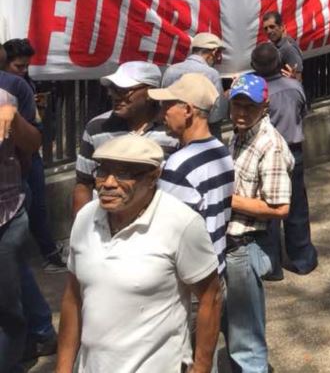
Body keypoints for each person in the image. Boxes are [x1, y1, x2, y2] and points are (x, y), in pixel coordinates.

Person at [54, 135, 221, 373]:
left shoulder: (181, 224)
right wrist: (62, 368)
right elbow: (73, 297)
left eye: (123, 173)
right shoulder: (85, 218)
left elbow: (211, 297)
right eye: (103, 171)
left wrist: (202, 367)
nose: (108, 183)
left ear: (154, 176)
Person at [223, 74, 293, 372]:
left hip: (247, 245)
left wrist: (225, 200)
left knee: (246, 338)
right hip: (232, 244)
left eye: (248, 107)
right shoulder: (238, 135)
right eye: (236, 105)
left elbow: (279, 208)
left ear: (264, 106)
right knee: (233, 325)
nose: (241, 112)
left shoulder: (269, 144)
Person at [148, 73, 235, 276]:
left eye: (166, 106)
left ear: (187, 110)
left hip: (190, 278)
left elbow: (166, 230)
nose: (162, 114)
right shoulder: (221, 152)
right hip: (216, 267)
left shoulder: (180, 164)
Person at [73, 62, 177, 214]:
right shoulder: (96, 128)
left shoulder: (171, 129)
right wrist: (81, 229)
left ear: (151, 92)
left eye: (125, 90)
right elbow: (83, 183)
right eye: (113, 89)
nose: (114, 95)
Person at [250, 43, 317, 279]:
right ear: (279, 63)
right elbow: (302, 113)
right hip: (295, 151)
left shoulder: (259, 92)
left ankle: (271, 264)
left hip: (269, 153)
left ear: (255, 67)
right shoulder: (295, 86)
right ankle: (303, 260)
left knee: (268, 208)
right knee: (297, 205)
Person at [2, 39, 65, 274]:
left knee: (36, 206)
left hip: (29, 157)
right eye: (18, 66)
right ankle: (49, 254)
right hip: (19, 161)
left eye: (26, 66)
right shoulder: (11, 87)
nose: (23, 71)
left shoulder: (22, 84)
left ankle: (48, 253)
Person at [0, 83, 43, 372]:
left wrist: (14, 119)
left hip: (6, 219)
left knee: (6, 308)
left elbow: (33, 145)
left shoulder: (4, 98)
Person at [161, 32, 227, 124]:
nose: (219, 58)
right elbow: (217, 114)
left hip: (172, 127)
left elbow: (162, 103)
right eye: (219, 53)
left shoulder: (171, 70)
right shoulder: (211, 73)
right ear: (214, 51)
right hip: (201, 131)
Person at [260, 11, 303, 81]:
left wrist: (293, 78)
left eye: (272, 27)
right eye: (266, 28)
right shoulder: (275, 46)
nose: (269, 31)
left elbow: (298, 78)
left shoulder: (288, 48)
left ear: (282, 27)